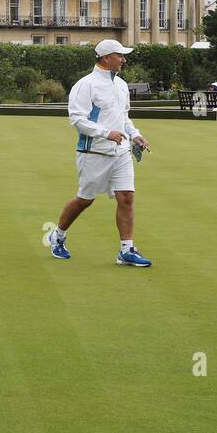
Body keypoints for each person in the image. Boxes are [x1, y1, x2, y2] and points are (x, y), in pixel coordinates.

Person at [46, 40, 151, 266]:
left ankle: (126, 249)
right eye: (119, 55)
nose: (123, 59)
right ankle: (58, 236)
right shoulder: (86, 85)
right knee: (85, 200)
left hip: (121, 152)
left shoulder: (121, 85)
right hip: (93, 151)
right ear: (105, 57)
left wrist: (134, 135)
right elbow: (77, 119)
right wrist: (105, 133)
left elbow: (123, 116)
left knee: (127, 197)